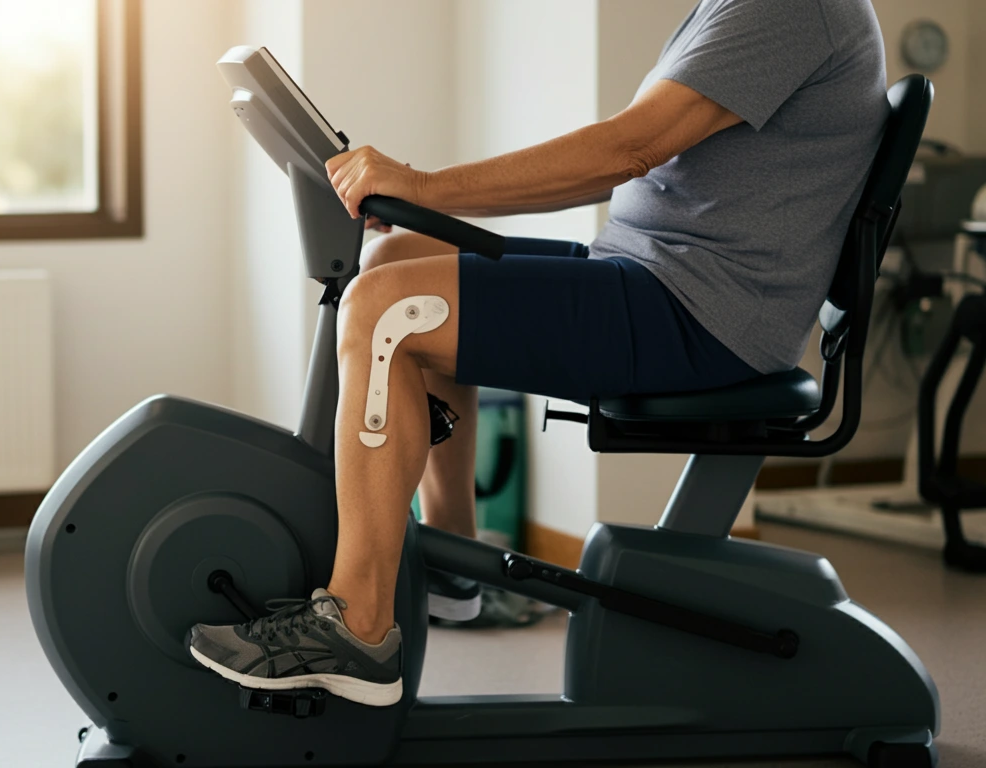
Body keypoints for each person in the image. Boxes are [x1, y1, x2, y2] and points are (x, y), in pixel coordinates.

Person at [187, 0, 891, 707]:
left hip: (700, 312)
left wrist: (424, 184)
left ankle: (359, 629)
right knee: (401, 254)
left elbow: (628, 149)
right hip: (659, 277)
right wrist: (423, 202)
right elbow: (626, 157)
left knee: (387, 313)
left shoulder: (792, 6)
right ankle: (453, 570)